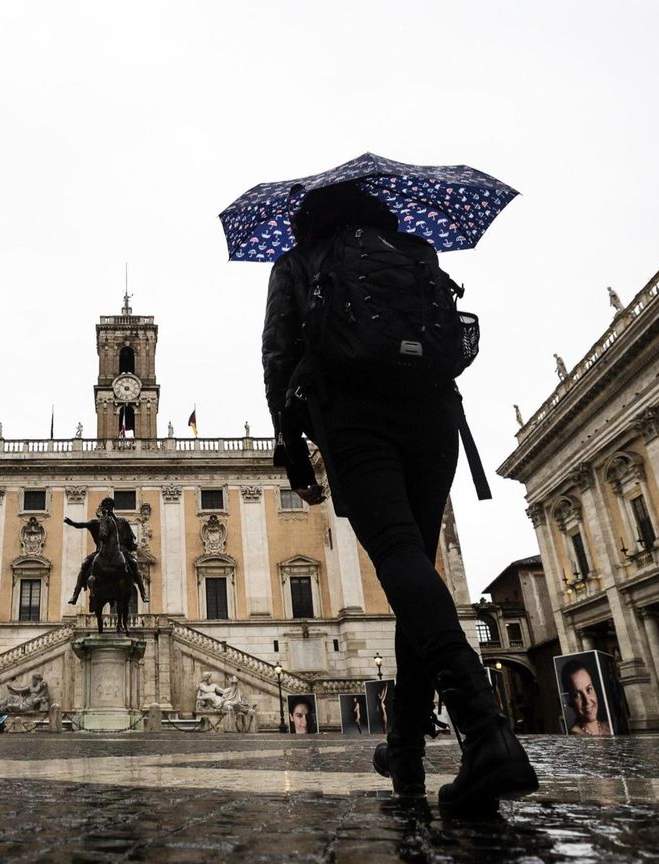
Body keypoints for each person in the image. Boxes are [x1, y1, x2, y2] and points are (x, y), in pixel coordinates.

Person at [261, 180, 536, 810]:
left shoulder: (297, 262)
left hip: (353, 416)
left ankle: (485, 730)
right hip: (434, 416)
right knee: (419, 570)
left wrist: (290, 445)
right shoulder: (415, 248)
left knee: (397, 556)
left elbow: (279, 357)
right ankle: (405, 750)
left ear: (308, 220)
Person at [64, 499, 146, 605]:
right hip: (100, 552)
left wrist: (133, 546)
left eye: (110, 505)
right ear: (102, 508)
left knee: (134, 564)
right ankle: (75, 595)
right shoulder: (96, 522)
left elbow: (130, 539)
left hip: (122, 552)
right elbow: (81, 525)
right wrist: (71, 523)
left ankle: (143, 593)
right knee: (84, 564)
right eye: (105, 505)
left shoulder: (122, 522)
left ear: (113, 507)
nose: (107, 507)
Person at [562, 660, 611, 736]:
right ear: (569, 700)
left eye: (589, 689)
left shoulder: (610, 726)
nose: (587, 701)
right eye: (577, 695)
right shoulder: (575, 739)